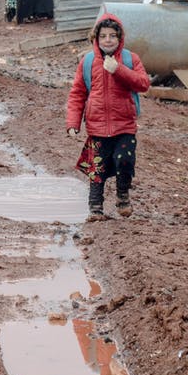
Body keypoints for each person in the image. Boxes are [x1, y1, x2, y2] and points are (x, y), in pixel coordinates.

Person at [66, 13, 150, 220]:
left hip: (125, 125)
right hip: (97, 127)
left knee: (124, 161)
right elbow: (77, 93)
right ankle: (95, 209)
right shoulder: (87, 61)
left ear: (120, 38)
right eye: (103, 36)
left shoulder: (130, 59)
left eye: (112, 36)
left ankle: (123, 195)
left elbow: (143, 84)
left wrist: (118, 70)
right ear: (96, 37)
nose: (108, 40)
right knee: (96, 169)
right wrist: (73, 123)